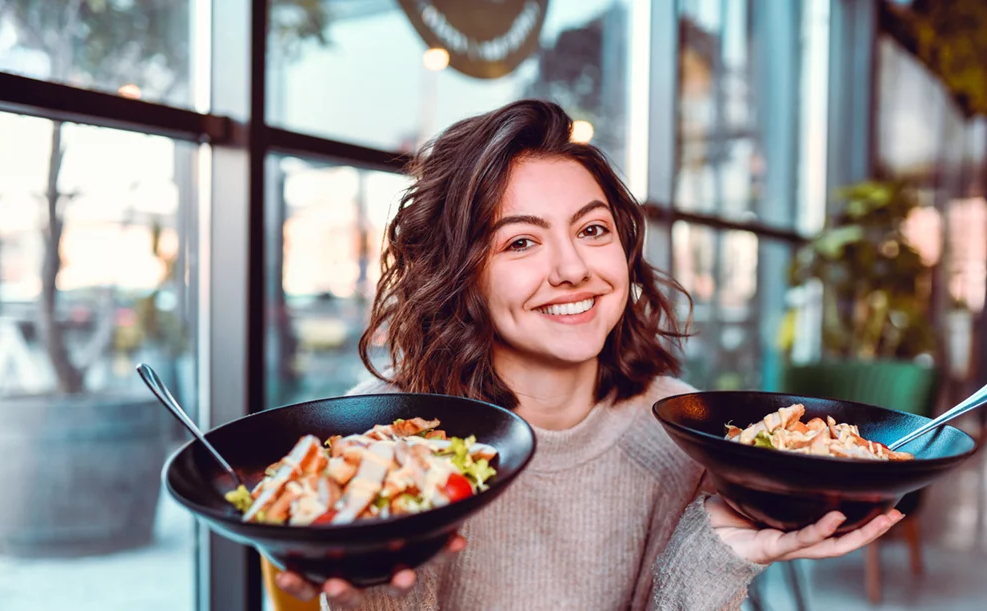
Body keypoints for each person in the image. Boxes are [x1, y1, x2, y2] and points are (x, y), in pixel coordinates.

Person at [275, 99, 904, 611]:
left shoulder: (685, 431)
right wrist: (371, 581)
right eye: (521, 242)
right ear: (458, 274)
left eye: (592, 229)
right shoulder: (377, 441)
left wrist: (717, 554)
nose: (573, 269)